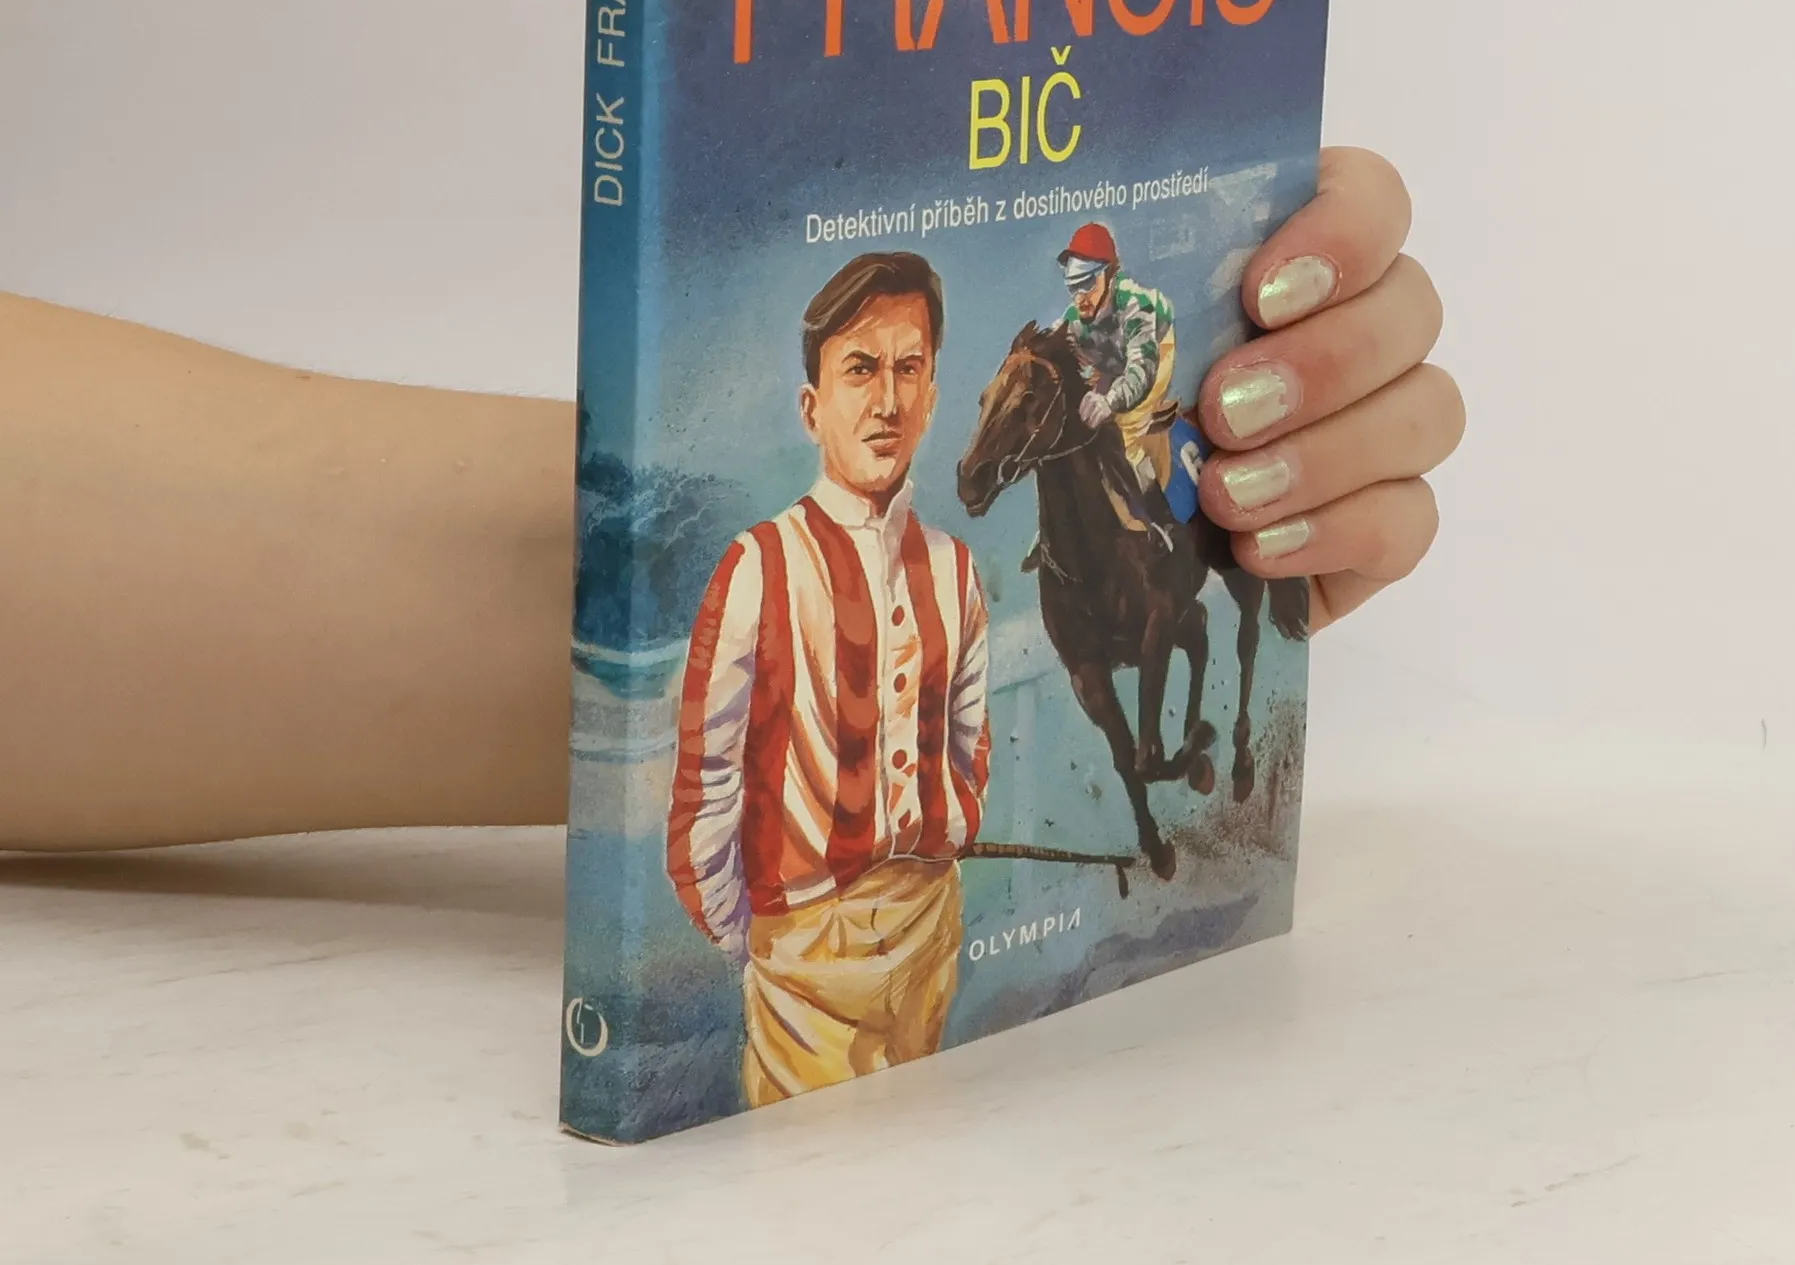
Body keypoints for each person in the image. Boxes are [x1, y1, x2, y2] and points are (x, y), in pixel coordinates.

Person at [0, 148, 1464, 853]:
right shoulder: (1064, 325)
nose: (1086, 287)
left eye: (1091, 274)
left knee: (1148, 472)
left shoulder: (1128, 319)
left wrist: (1196, 385)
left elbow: (1136, 381)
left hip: (1125, 422)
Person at [667, 252, 988, 1104]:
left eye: (909, 369)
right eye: (861, 370)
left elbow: (968, 742)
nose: (888, 400)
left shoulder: (954, 571)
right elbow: (706, 782)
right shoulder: (760, 565)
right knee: (808, 1164)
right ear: (813, 408)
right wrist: (767, 938)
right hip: (803, 950)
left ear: (932, 396)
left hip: (930, 919)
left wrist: (944, 841)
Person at [1054, 221, 1180, 547]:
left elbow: (1140, 371)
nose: (1080, 297)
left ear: (1110, 275)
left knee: (1124, 432)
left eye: (1088, 284)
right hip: (1113, 362)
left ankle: (1160, 520)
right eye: (1073, 286)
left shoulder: (1137, 306)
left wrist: (1109, 401)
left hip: (1152, 354)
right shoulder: (1073, 320)